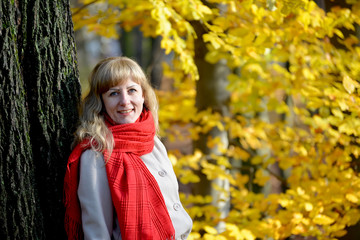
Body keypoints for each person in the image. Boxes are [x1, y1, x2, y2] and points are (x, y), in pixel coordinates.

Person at [64, 56, 193, 240]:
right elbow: (97, 231)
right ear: (101, 102)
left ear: (143, 95)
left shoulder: (153, 142)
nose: (125, 101)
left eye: (132, 90)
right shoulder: (96, 156)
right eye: (114, 93)